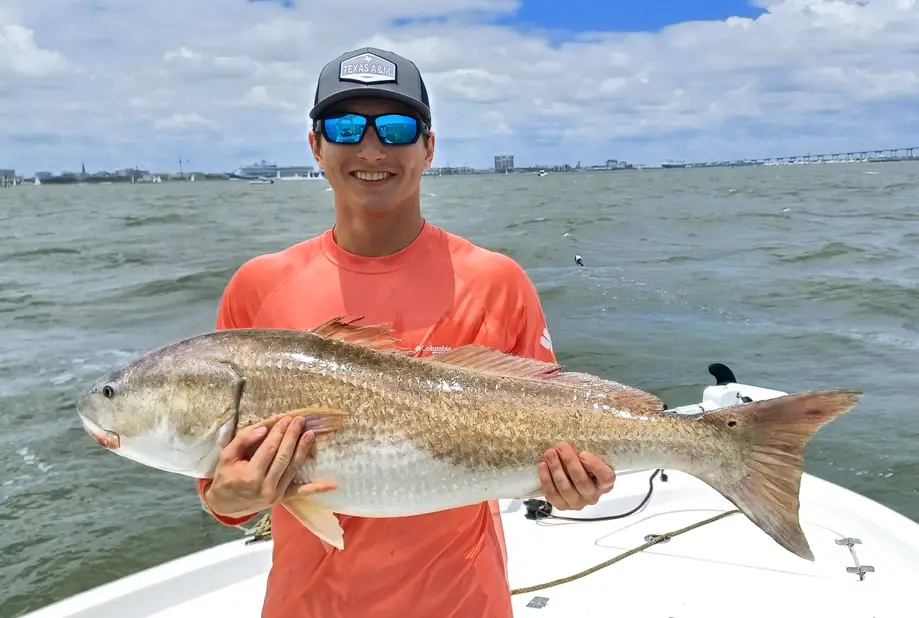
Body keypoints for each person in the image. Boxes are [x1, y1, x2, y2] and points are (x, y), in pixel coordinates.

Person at [196, 46, 617, 618]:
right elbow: (221, 487)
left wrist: (571, 485)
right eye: (346, 127)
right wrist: (231, 497)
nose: (372, 149)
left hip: (465, 603)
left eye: (395, 128)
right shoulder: (259, 287)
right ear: (317, 145)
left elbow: (555, 423)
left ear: (428, 146)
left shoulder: (496, 280)